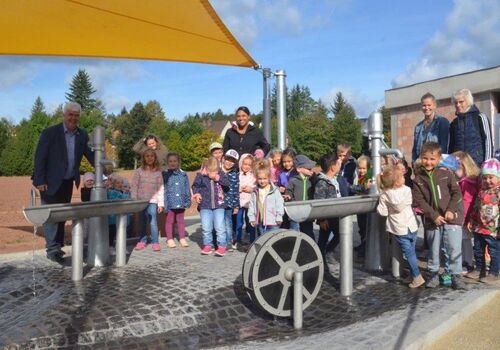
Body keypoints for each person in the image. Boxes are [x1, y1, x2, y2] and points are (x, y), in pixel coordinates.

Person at [32, 102, 94, 263]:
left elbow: (90, 155)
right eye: (70, 114)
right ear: (64, 115)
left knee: (61, 216)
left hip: (67, 182)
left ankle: (57, 246)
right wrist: (39, 180)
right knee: (51, 215)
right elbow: (40, 158)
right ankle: (52, 249)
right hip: (49, 182)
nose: (73, 118)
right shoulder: (50, 133)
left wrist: (104, 167)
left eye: (76, 115)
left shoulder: (82, 134)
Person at [412, 142, 466, 289]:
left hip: (451, 218)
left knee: (454, 248)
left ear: (439, 158)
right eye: (425, 158)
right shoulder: (418, 179)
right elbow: (419, 201)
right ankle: (433, 274)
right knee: (433, 249)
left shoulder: (446, 174)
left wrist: (450, 210)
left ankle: (456, 275)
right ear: (421, 158)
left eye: (432, 159)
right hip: (432, 220)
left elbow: (457, 193)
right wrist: (434, 215)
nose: (428, 162)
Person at [377, 165, 425, 288]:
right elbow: (408, 203)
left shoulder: (385, 195)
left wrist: (387, 207)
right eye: (402, 176)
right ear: (397, 181)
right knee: (411, 253)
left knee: (408, 254)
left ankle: (417, 277)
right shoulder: (407, 190)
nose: (404, 177)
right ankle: (413, 275)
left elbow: (382, 212)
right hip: (411, 226)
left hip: (399, 228)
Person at [466, 158, 499, 284]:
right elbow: (476, 207)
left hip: (493, 230)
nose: (488, 181)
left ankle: (494, 273)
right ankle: (479, 269)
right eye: (485, 178)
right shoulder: (481, 191)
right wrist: (471, 220)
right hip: (479, 227)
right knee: (478, 249)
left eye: (491, 177)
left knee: (494, 251)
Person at [192, 157, 230, 256]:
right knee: (206, 227)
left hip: (219, 205)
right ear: (206, 169)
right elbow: (195, 186)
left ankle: (222, 246)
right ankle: (207, 245)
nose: (213, 173)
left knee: (220, 226)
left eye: (215, 171)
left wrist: (218, 178)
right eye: (211, 171)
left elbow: (227, 184)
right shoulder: (201, 175)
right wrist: (197, 194)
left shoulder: (221, 174)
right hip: (205, 206)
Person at [314, 153, 349, 259]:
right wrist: (321, 219)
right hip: (327, 217)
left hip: (335, 215)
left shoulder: (335, 180)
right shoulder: (322, 182)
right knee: (324, 239)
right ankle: (321, 257)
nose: (340, 166)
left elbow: (348, 187)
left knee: (339, 235)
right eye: (338, 164)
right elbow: (318, 202)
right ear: (333, 167)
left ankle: (326, 253)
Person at [448, 88, 493, 167]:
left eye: (461, 102)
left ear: (468, 101)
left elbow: (488, 142)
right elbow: (451, 147)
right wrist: (450, 165)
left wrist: (487, 165)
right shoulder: (454, 123)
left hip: (477, 165)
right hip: (459, 167)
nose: (458, 105)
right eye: (456, 102)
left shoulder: (480, 117)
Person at [453, 151, 481, 272]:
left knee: (464, 240)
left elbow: (466, 201)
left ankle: (467, 262)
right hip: (470, 215)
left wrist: (463, 217)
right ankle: (467, 261)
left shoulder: (465, 183)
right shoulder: (471, 180)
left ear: (462, 166)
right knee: (466, 240)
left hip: (465, 216)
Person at [131, 149, 164, 251]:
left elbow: (161, 188)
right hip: (141, 201)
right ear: (144, 158)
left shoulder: (158, 172)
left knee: (153, 221)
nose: (149, 158)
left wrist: (160, 203)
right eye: (147, 156)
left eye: (152, 156)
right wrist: (134, 200)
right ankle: (142, 240)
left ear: (155, 158)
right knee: (141, 221)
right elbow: (134, 186)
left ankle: (155, 242)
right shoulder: (139, 171)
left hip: (153, 201)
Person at [284, 155, 317, 239]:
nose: (311, 170)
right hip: (295, 212)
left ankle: (310, 250)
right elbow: (289, 191)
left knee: (308, 233)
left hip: (308, 213)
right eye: (308, 168)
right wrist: (288, 196)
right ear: (299, 169)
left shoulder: (312, 180)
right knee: (294, 232)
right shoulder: (293, 180)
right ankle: (292, 248)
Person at [163, 152, 191, 249]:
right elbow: (163, 189)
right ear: (167, 162)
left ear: (178, 162)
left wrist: (187, 200)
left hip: (181, 201)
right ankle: (169, 239)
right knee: (169, 221)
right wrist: (164, 203)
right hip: (170, 202)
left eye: (174, 161)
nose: (172, 163)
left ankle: (182, 238)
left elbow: (187, 187)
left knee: (180, 221)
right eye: (170, 161)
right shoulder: (165, 174)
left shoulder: (183, 175)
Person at [248, 159, 284, 235]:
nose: (262, 181)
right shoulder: (255, 191)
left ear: (269, 178)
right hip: (261, 222)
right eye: (260, 179)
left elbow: (279, 204)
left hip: (273, 222)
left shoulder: (274, 191)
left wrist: (279, 217)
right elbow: (252, 206)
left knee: (273, 241)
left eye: (264, 179)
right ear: (256, 179)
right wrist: (252, 218)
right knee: (263, 242)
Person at [412, 93, 450, 164]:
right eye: (424, 105)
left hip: (436, 165)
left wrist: (442, 165)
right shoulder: (418, 127)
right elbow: (414, 149)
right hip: (421, 166)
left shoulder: (442, 122)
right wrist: (414, 163)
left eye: (429, 105)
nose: (426, 108)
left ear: (435, 106)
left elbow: (445, 148)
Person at [351, 155, 372, 257]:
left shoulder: (368, 178)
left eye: (364, 168)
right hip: (360, 206)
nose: (361, 170)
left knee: (366, 227)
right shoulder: (358, 177)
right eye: (360, 168)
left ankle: (365, 247)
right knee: (361, 227)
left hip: (366, 206)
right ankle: (362, 244)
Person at [221, 149, 240, 252]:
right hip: (218, 204)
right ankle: (219, 242)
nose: (229, 162)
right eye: (228, 159)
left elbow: (236, 191)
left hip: (229, 204)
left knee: (228, 223)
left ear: (235, 163)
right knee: (218, 223)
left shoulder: (235, 175)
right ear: (224, 158)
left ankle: (228, 242)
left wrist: (236, 205)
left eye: (232, 161)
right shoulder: (218, 172)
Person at [235, 153, 256, 247]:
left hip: (250, 203)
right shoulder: (237, 175)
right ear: (241, 163)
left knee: (250, 222)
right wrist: (239, 189)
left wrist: (251, 189)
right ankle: (238, 240)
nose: (246, 166)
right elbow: (233, 186)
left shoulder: (253, 176)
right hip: (239, 203)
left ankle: (252, 240)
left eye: (249, 165)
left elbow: (256, 187)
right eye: (245, 164)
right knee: (239, 223)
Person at [107, 175, 127, 254]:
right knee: (112, 233)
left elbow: (126, 200)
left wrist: (125, 193)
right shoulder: (112, 192)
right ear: (114, 184)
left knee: (120, 232)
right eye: (118, 183)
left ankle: (120, 247)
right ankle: (110, 247)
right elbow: (114, 200)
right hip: (113, 217)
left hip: (121, 217)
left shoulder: (123, 192)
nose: (120, 184)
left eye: (121, 183)